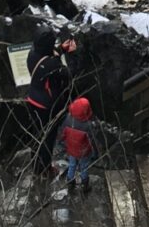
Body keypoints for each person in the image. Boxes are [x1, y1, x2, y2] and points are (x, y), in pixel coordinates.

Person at [25, 31, 76, 177]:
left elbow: (46, 59)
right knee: (48, 138)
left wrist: (61, 49)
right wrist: (71, 54)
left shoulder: (32, 54)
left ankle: (36, 166)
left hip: (32, 100)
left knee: (37, 135)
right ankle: (45, 170)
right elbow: (69, 74)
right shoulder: (52, 64)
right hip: (46, 106)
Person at [58, 95, 98, 192]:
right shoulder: (88, 125)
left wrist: (62, 143)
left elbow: (62, 134)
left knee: (72, 165)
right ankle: (85, 185)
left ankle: (70, 184)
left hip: (71, 149)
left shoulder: (68, 119)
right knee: (83, 167)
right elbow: (92, 140)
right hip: (83, 152)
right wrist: (95, 152)